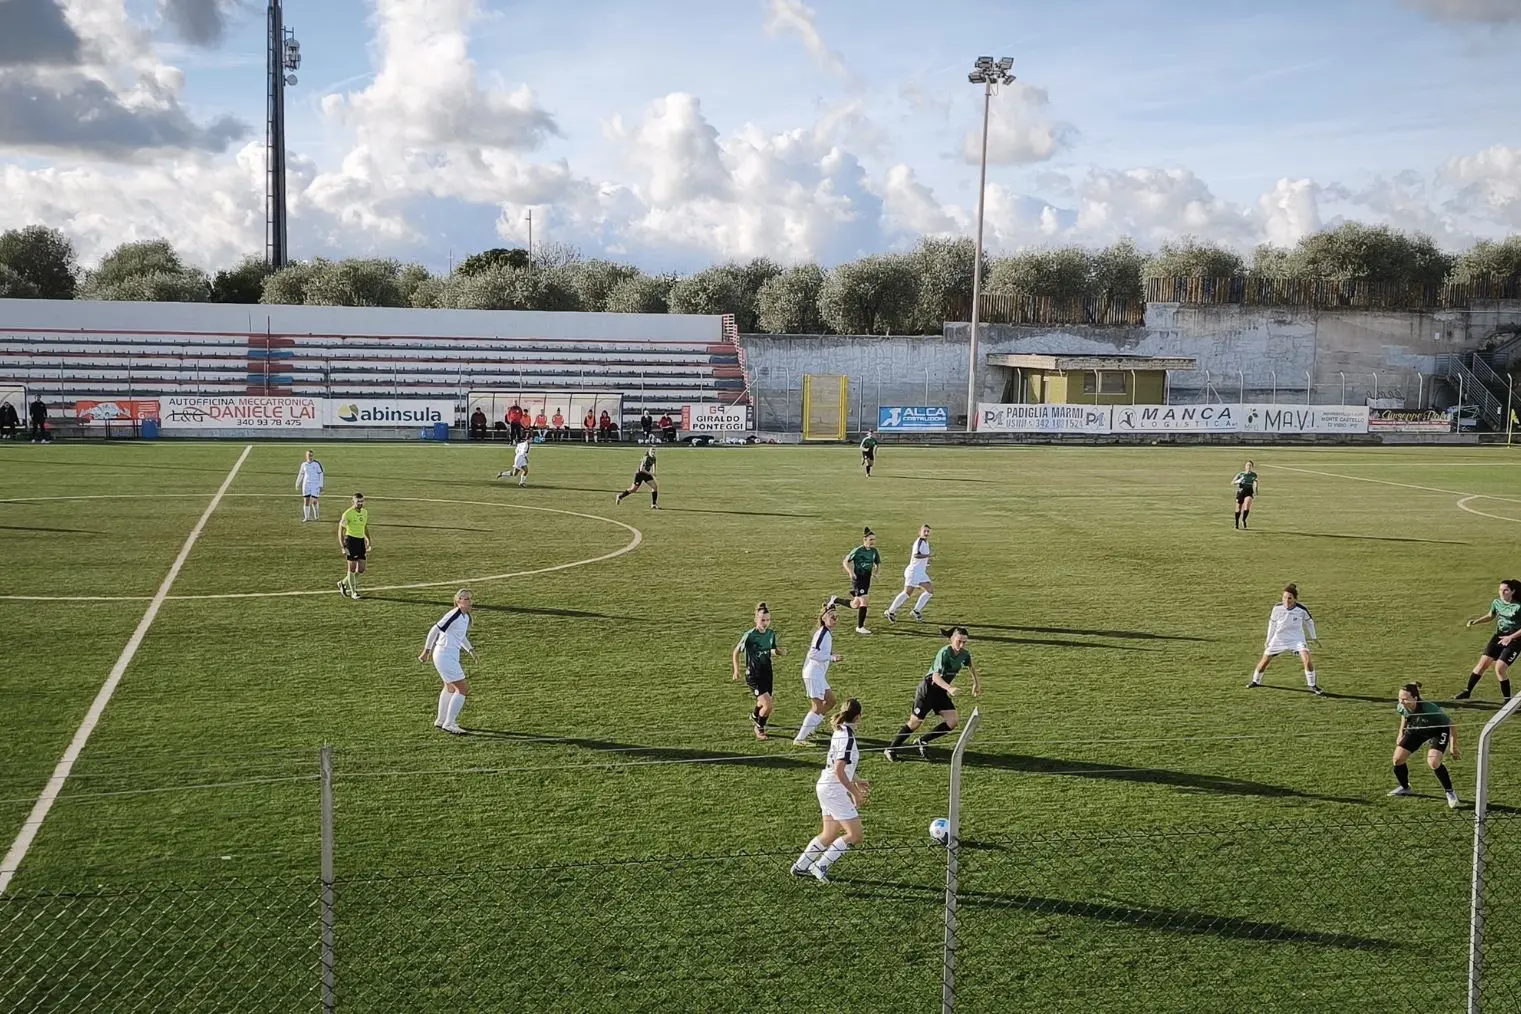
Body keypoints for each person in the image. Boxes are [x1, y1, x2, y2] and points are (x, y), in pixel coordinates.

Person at [790, 698, 869, 883]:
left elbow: (840, 766)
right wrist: (855, 793)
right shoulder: (847, 738)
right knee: (855, 835)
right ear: (858, 717)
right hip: (834, 790)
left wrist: (857, 780)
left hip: (825, 786)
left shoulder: (839, 731)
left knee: (830, 833)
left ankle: (801, 866)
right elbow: (840, 771)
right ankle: (820, 866)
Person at [884, 627, 981, 761]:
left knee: (952, 721)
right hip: (928, 689)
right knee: (915, 722)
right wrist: (950, 688)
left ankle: (922, 741)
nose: (962, 645)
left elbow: (970, 665)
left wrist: (976, 683)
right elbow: (935, 677)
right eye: (959, 641)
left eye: (964, 642)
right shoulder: (944, 652)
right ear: (952, 639)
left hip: (940, 691)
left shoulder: (964, 654)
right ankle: (891, 748)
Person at [1389, 682, 1460, 808]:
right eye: (1399, 698)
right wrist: (1401, 732)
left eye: (1405, 699)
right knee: (1397, 760)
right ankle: (1405, 787)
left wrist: (1453, 747)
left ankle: (1450, 792)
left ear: (1415, 699)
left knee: (1433, 762)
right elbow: (1404, 716)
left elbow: (1451, 725)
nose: (1401, 702)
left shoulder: (1430, 709)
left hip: (1437, 731)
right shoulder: (1401, 706)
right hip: (1417, 729)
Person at [1247, 583, 1323, 694]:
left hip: (1297, 639)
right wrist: (1268, 640)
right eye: (1284, 598)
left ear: (1295, 599)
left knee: (1307, 659)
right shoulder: (1276, 608)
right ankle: (1255, 681)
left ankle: (1312, 685)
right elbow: (1272, 624)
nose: (1286, 601)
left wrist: (1314, 637)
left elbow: (1309, 622)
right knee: (1264, 661)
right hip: (1279, 638)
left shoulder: (1301, 609)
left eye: (1289, 598)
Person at [420, 589, 475, 735]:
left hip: (449, 656)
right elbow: (435, 629)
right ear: (458, 600)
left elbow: (460, 636)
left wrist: (470, 649)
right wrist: (426, 651)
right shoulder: (454, 614)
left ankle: (441, 720)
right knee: (462, 689)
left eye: (469, 598)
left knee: (450, 688)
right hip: (444, 656)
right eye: (465, 598)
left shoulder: (465, 617)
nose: (468, 601)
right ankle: (449, 723)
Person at [732, 602, 787, 740]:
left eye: (768, 620)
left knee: (763, 702)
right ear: (756, 619)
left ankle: (754, 715)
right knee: (768, 705)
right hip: (754, 674)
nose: (765, 623)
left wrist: (780, 652)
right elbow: (736, 652)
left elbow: (772, 649)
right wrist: (736, 670)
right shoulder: (749, 635)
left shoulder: (771, 634)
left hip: (767, 673)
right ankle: (759, 727)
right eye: (763, 620)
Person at [1459, 579, 1521, 700]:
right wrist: (1476, 621)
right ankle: (1467, 691)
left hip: (1515, 639)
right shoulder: (1496, 603)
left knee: (1500, 668)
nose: (1502, 592)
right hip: (1499, 636)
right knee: (1482, 664)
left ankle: (1507, 699)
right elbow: (1490, 616)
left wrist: (1510, 637)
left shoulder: (1518, 607)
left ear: (1513, 591)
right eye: (1500, 590)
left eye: (1505, 590)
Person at [794, 603, 841, 746]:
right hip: (813, 674)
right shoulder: (822, 633)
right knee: (817, 706)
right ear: (823, 618)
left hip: (818, 674)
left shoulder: (826, 633)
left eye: (836, 617)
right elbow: (813, 654)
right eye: (832, 617)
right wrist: (831, 658)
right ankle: (800, 739)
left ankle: (810, 729)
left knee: (831, 701)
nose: (835, 619)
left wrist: (830, 656)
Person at [884, 524, 934, 623]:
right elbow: (916, 555)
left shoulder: (926, 542)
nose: (926, 533)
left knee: (929, 591)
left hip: (920, 572)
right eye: (924, 531)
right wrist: (927, 556)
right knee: (907, 593)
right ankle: (890, 611)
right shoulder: (919, 542)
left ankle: (916, 611)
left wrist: (926, 561)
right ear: (919, 532)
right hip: (913, 572)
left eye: (928, 531)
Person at [840, 528, 881, 635]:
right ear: (865, 540)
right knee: (864, 601)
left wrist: (876, 572)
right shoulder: (858, 550)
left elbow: (877, 563)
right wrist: (850, 572)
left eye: (874, 539)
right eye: (871, 539)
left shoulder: (874, 551)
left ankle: (835, 600)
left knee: (855, 604)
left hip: (867, 578)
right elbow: (845, 561)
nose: (873, 542)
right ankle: (860, 627)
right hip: (858, 578)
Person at [336, 493, 372, 600]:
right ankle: (353, 592)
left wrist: (368, 540)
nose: (360, 503)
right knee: (351, 568)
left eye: (362, 501)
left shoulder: (365, 512)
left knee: (361, 569)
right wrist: (343, 546)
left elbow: (364, 526)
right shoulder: (347, 514)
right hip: (351, 541)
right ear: (353, 502)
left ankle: (343, 583)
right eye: (358, 501)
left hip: (360, 541)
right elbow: (340, 530)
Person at [296, 449, 324, 522]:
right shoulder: (304, 464)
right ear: (306, 456)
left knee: (314, 501)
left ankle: (316, 516)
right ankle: (306, 517)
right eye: (309, 455)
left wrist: (321, 485)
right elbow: (301, 474)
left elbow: (321, 474)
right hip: (306, 485)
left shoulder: (317, 464)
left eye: (311, 455)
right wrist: (297, 483)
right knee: (306, 501)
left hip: (315, 485)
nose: (310, 457)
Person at [1233, 460, 1258, 529]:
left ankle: (1243, 520)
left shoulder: (1254, 475)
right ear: (1245, 466)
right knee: (1238, 509)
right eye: (1247, 465)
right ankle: (1236, 523)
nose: (1249, 467)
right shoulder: (1240, 474)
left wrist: (1256, 489)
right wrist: (1238, 481)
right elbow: (1233, 482)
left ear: (1252, 467)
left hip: (1249, 492)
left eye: (1250, 465)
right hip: (1241, 491)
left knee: (1247, 507)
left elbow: (1255, 482)